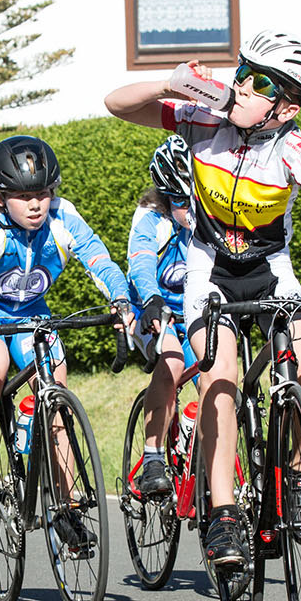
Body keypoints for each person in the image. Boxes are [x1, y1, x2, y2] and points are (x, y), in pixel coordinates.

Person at [104, 30, 301, 570]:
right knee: (218, 377)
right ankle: (224, 513)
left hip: (273, 274)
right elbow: (115, 105)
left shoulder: (293, 147)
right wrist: (169, 84)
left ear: (288, 107)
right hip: (210, 275)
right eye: (242, 72)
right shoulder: (202, 120)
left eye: (260, 83)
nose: (242, 86)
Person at [0, 135, 135, 557]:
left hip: (34, 313)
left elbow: (98, 259)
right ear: (0, 197)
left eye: (42, 194)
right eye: (21, 196)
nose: (35, 205)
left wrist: (120, 299)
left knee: (56, 398)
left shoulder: (63, 217)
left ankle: (66, 508)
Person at [128, 135, 197, 497]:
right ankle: (153, 456)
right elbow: (140, 262)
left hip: (197, 311)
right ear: (166, 198)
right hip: (152, 309)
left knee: (218, 379)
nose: (193, 212)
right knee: (170, 361)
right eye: (183, 203)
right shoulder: (152, 220)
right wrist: (152, 298)